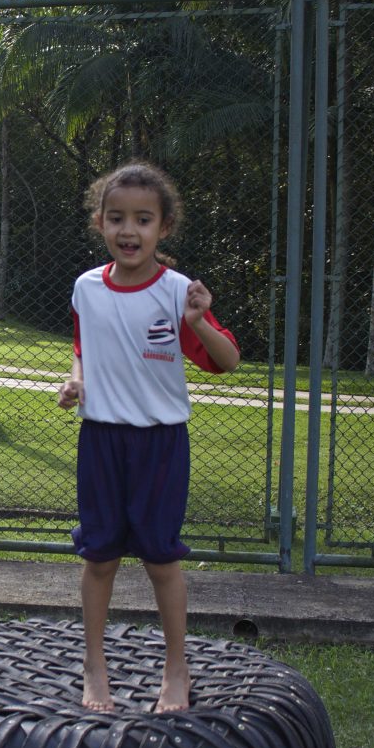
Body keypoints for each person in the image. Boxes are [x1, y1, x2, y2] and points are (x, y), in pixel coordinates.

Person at [57, 163, 240, 713]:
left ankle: (176, 669)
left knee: (161, 559)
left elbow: (227, 362)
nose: (129, 230)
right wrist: (77, 378)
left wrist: (201, 322)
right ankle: (94, 667)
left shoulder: (179, 292)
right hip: (101, 442)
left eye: (143, 219)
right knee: (100, 558)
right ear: (100, 223)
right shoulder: (87, 287)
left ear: (164, 227)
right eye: (117, 219)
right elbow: (84, 345)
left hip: (160, 445)